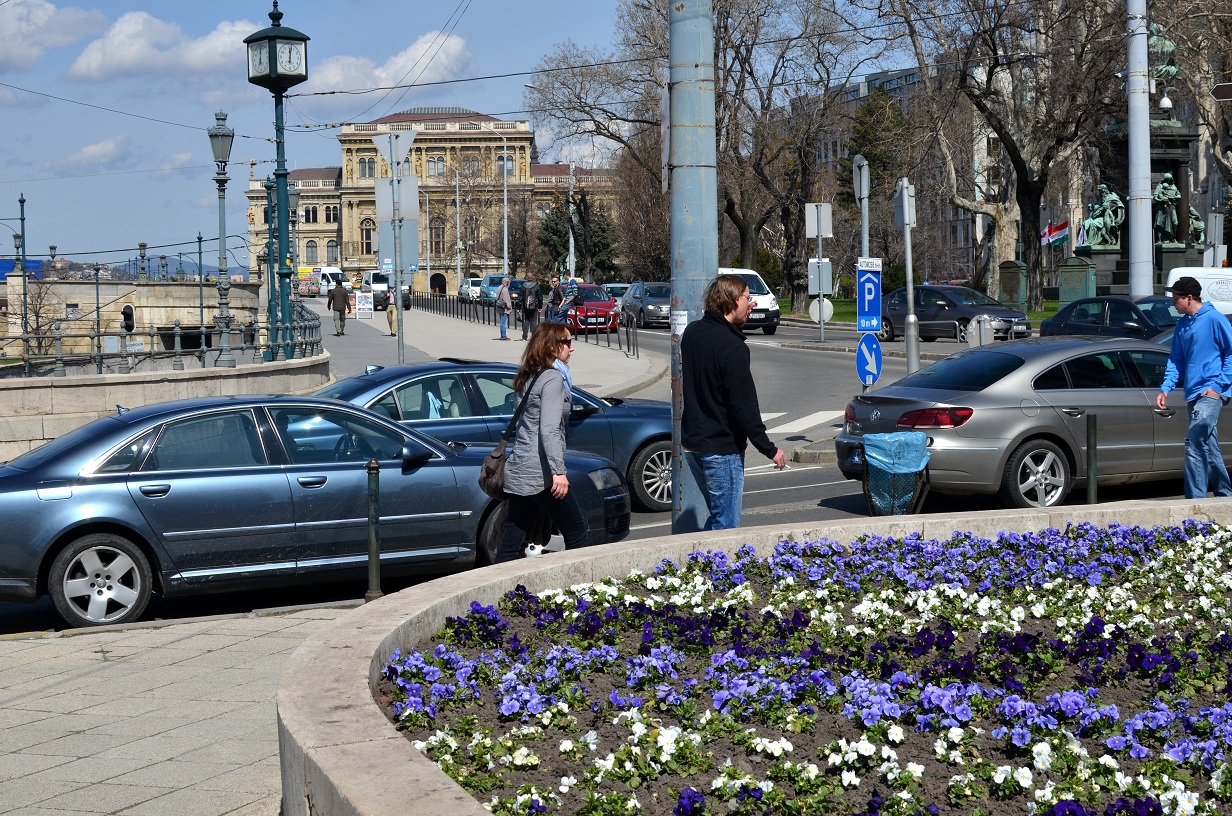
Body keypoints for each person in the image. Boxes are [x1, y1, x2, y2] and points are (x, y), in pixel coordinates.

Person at [681, 273, 787, 530]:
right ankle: (705, 570)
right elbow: (744, 406)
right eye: (748, 299)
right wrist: (769, 449)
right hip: (721, 449)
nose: (752, 305)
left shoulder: (693, 333)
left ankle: (697, 567)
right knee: (726, 525)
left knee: (718, 518)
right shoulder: (732, 347)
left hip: (693, 445)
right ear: (732, 301)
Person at [496, 322, 587, 562]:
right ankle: (581, 592)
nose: (572, 348)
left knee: (512, 538)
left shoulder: (528, 374)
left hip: (520, 466)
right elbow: (549, 430)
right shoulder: (553, 378)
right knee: (577, 530)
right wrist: (558, 471)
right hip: (541, 472)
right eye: (567, 342)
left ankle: (498, 595)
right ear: (551, 347)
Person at [1157, 276, 1232, 499]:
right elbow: (1176, 359)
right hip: (1193, 393)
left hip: (1211, 392)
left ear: (1189, 298)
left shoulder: (1215, 319)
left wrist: (1218, 387)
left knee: (1194, 442)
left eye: (1176, 298)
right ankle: (1225, 495)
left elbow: (1231, 354)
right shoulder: (1182, 325)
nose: (1173, 302)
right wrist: (1166, 388)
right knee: (1208, 447)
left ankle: (1194, 502)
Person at [1153, 173, 1182, 243]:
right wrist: (1161, 199)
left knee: (1175, 222)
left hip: (1171, 206)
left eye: (1170, 179)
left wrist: (1173, 197)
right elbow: (1155, 196)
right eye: (1167, 179)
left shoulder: (1173, 186)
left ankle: (1172, 237)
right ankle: (1160, 240)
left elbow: (1179, 195)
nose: (1169, 181)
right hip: (1162, 207)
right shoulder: (1160, 186)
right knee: (1160, 223)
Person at [520, 273, 542, 340]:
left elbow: (521, 297)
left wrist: (519, 307)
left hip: (526, 306)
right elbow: (540, 297)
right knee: (533, 321)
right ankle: (533, 337)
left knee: (526, 320)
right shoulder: (536, 285)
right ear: (532, 277)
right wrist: (540, 306)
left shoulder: (523, 286)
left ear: (527, 277)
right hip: (534, 305)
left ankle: (524, 336)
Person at [495, 275, 512, 341]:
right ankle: (503, 336)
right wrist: (509, 307)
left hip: (499, 306)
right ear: (506, 282)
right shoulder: (505, 289)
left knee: (502, 321)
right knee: (504, 322)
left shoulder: (499, 288)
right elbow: (507, 300)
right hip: (504, 308)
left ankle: (503, 335)